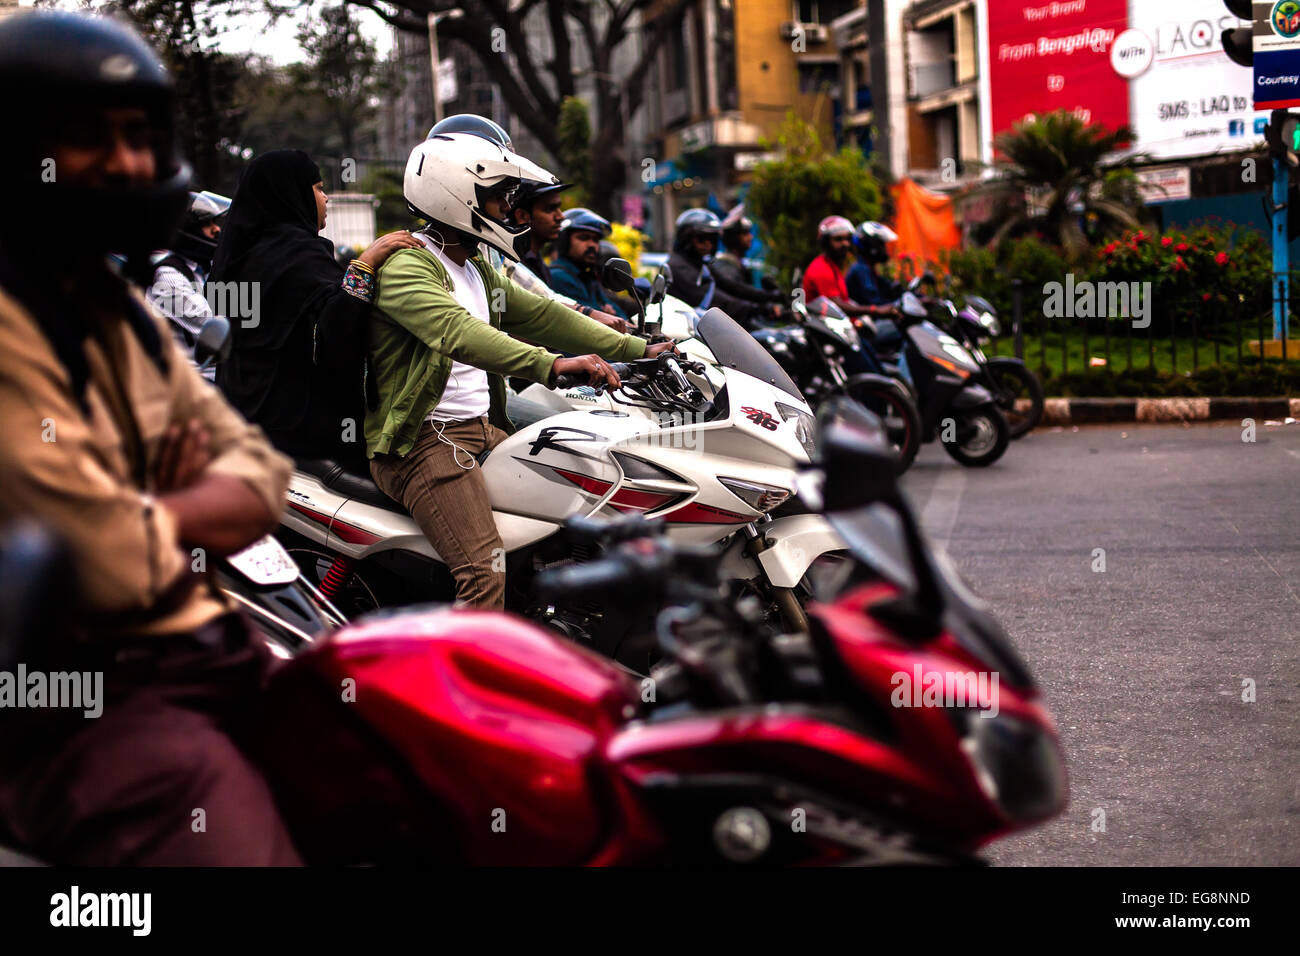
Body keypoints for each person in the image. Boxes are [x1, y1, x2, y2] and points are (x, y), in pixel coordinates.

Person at [0, 10, 298, 865]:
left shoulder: (115, 306)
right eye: (89, 137)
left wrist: (155, 507)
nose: (128, 162)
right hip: (82, 705)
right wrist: (179, 512)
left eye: (139, 136)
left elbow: (260, 472)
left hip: (210, 649)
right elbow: (104, 559)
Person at [365, 132, 674, 609]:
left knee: (588, 488)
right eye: (496, 198)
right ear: (457, 194)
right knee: (484, 575)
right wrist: (552, 365)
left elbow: (543, 316)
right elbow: (459, 333)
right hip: (424, 442)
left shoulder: (474, 267)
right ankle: (471, 682)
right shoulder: (409, 267)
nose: (507, 211)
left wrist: (638, 348)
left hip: (482, 430)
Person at [210, 150, 421, 465]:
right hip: (294, 427)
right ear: (291, 194)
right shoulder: (298, 256)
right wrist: (364, 266)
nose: (326, 199)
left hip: (240, 415)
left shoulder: (234, 258)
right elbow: (336, 338)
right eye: (319, 189)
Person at [147, 190, 230, 379]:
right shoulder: (167, 277)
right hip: (186, 381)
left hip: (212, 375)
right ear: (187, 230)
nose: (216, 229)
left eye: (215, 223)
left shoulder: (201, 269)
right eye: (207, 224)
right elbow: (211, 322)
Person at [666, 208, 765, 327]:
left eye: (711, 239)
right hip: (687, 333)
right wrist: (758, 309)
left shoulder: (699, 263)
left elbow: (730, 286)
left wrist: (769, 297)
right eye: (702, 239)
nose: (708, 244)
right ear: (686, 239)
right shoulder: (679, 266)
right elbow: (716, 299)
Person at [802, 215, 898, 322]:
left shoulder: (832, 266)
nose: (845, 244)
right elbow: (836, 306)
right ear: (825, 242)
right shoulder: (821, 269)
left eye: (848, 239)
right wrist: (875, 310)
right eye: (838, 239)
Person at [547, 208, 630, 330]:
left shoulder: (587, 276)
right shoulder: (559, 276)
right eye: (584, 237)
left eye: (595, 240)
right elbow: (594, 322)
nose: (592, 245)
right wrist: (607, 314)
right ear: (564, 241)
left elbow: (619, 315)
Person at [709, 209, 785, 320]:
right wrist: (767, 302)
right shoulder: (725, 267)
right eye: (745, 234)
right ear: (734, 237)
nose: (750, 237)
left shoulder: (737, 263)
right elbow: (738, 294)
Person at [508, 178, 571, 288]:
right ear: (522, 216)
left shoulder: (538, 262)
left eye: (559, 208)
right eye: (549, 209)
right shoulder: (509, 262)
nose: (561, 216)